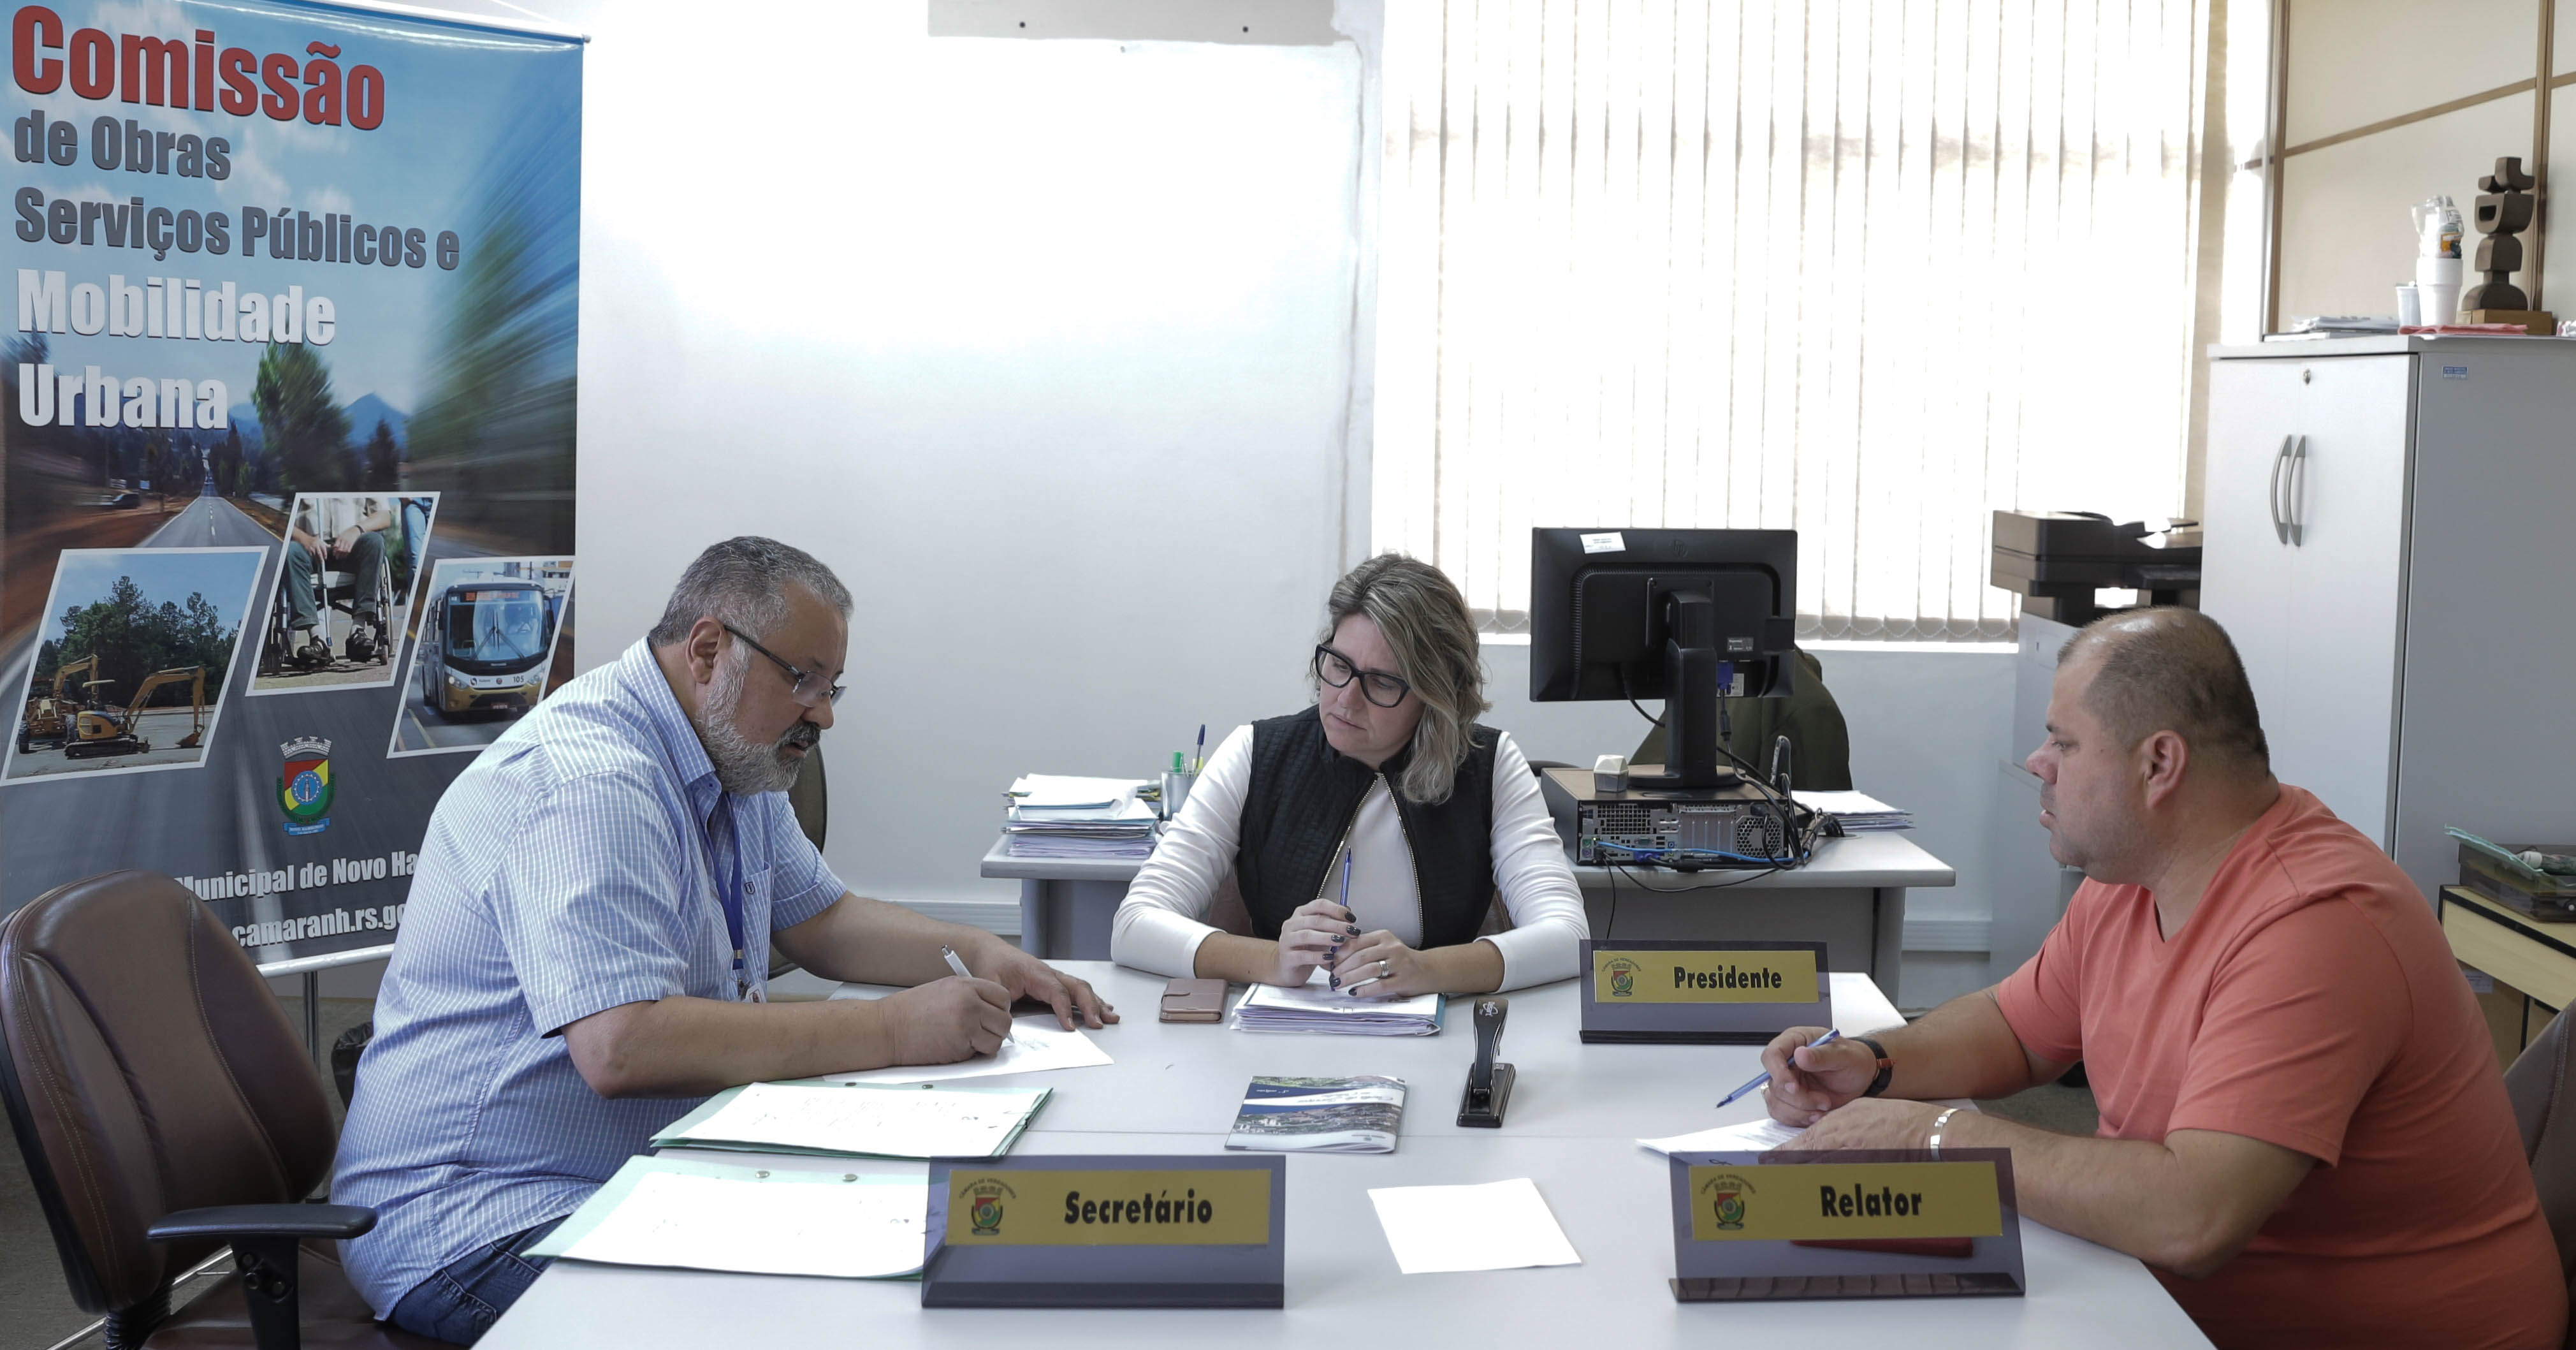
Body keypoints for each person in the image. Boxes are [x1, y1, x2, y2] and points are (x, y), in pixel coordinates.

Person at [333, 537, 1116, 1344]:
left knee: (896, 1265)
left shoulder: (732, 756)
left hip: (633, 1183)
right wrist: (892, 1026)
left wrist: (982, 951)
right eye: (803, 679)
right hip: (481, 1218)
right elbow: (623, 1044)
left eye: (832, 685)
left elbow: (823, 921)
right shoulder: (591, 780)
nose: (825, 713)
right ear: (709, 649)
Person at [1756, 607, 2563, 1350]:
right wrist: (1873, 1064)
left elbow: (2192, 1215)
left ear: (2159, 763)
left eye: (2064, 743)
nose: (2036, 762)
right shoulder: (2130, 878)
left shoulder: (2315, 921)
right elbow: (2013, 1026)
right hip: (2161, 1301)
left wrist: (1935, 1136)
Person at [1112, 553, 1587, 997]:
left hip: (1440, 1036)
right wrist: (1273, 960)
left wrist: (1427, 970)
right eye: (1338, 665)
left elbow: (1569, 936)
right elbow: (1134, 925)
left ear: (1435, 695)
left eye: (1382, 681)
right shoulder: (1256, 752)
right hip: (1278, 1032)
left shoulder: (1490, 764)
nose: (1344, 698)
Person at [284, 496, 391, 663]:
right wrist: (306, 540)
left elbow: (384, 516)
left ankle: (358, 632)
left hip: (354, 547)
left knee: (375, 541)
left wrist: (356, 530)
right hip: (312, 550)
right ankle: (317, 639)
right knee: (291, 551)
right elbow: (277, 519)